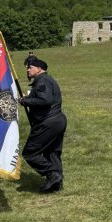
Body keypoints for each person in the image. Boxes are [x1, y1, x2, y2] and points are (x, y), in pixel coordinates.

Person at [19, 58, 68, 193]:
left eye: (30, 67)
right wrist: (27, 99)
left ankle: (53, 174)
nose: (28, 70)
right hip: (57, 121)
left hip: (48, 123)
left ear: (39, 68)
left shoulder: (43, 80)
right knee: (52, 153)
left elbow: (45, 100)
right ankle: (56, 185)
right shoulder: (46, 80)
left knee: (30, 153)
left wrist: (25, 101)